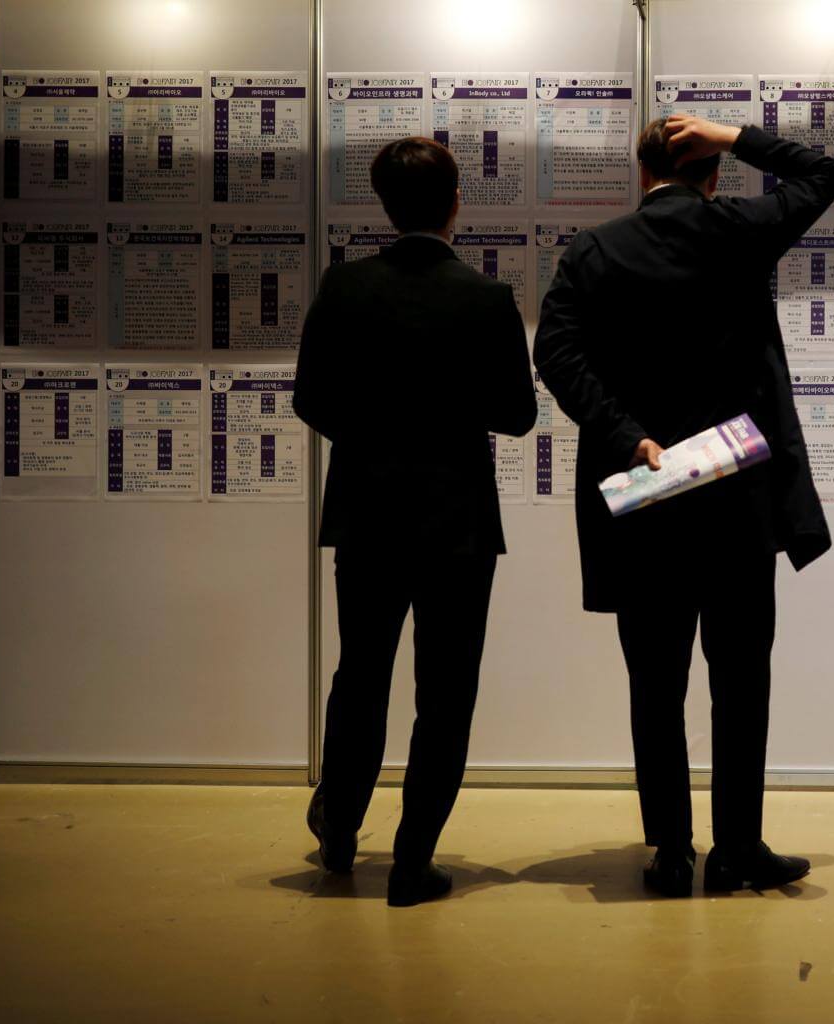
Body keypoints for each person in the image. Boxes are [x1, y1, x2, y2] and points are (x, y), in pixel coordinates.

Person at [534, 115, 834, 896]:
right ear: (712, 174)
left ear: (642, 176)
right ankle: (737, 848)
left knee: (655, 682)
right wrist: (732, 133)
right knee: (741, 681)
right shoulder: (738, 231)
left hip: (645, 498)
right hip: (737, 497)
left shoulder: (595, 250)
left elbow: (556, 353)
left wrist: (625, 434)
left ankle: (672, 853)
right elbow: (823, 174)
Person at [293, 137, 536, 907]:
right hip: (457, 521)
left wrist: (371, 437)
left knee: (360, 676)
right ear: (456, 202)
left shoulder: (345, 286)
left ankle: (338, 832)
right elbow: (518, 415)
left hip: (365, 511)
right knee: (446, 692)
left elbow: (309, 398)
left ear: (385, 206)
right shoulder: (486, 299)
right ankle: (412, 861)